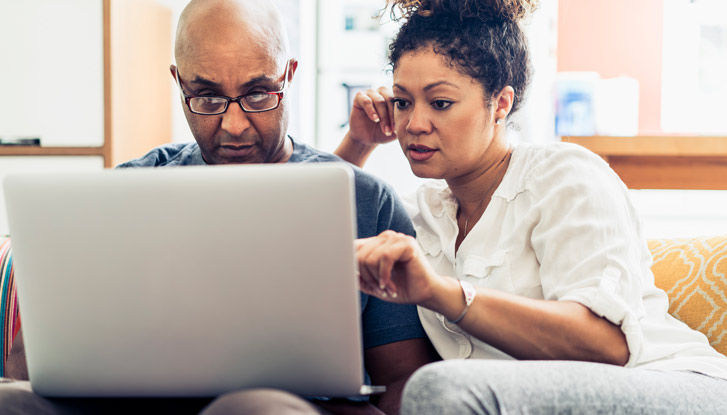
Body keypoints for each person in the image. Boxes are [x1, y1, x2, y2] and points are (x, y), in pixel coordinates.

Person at [0, 1, 438, 414]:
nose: (233, 125)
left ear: (289, 75)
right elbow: (25, 364)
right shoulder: (127, 191)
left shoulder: (367, 202)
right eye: (207, 98)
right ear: (179, 83)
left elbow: (401, 378)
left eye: (258, 94)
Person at [335, 0, 727, 413]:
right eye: (402, 102)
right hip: (521, 399)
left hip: (668, 382)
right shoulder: (423, 216)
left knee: (441, 389)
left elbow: (607, 345)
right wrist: (359, 143)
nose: (414, 124)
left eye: (439, 103)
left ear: (501, 103)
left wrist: (442, 293)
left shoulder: (566, 175)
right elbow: (322, 237)